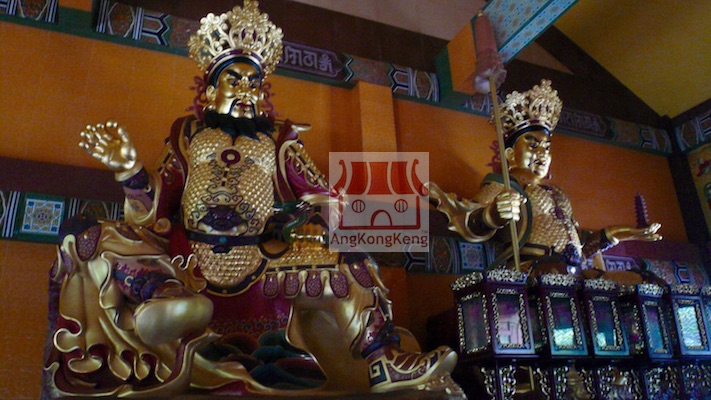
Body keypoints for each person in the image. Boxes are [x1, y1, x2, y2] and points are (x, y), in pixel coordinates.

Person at [43, 1, 459, 397]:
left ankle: (382, 361)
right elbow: (157, 203)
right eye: (234, 80)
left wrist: (317, 218)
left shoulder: (279, 139)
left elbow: (323, 195)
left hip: (263, 259)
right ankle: (164, 300)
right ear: (210, 91)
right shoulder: (186, 134)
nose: (245, 89)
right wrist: (129, 168)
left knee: (353, 260)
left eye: (253, 83)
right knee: (89, 235)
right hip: (188, 261)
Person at [429, 80, 661, 275]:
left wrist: (625, 233)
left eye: (546, 147)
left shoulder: (558, 193)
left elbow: (580, 244)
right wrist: (494, 213)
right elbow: (471, 220)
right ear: (510, 154)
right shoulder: (504, 185)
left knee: (632, 281)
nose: (542, 153)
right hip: (533, 270)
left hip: (571, 271)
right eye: (533, 145)